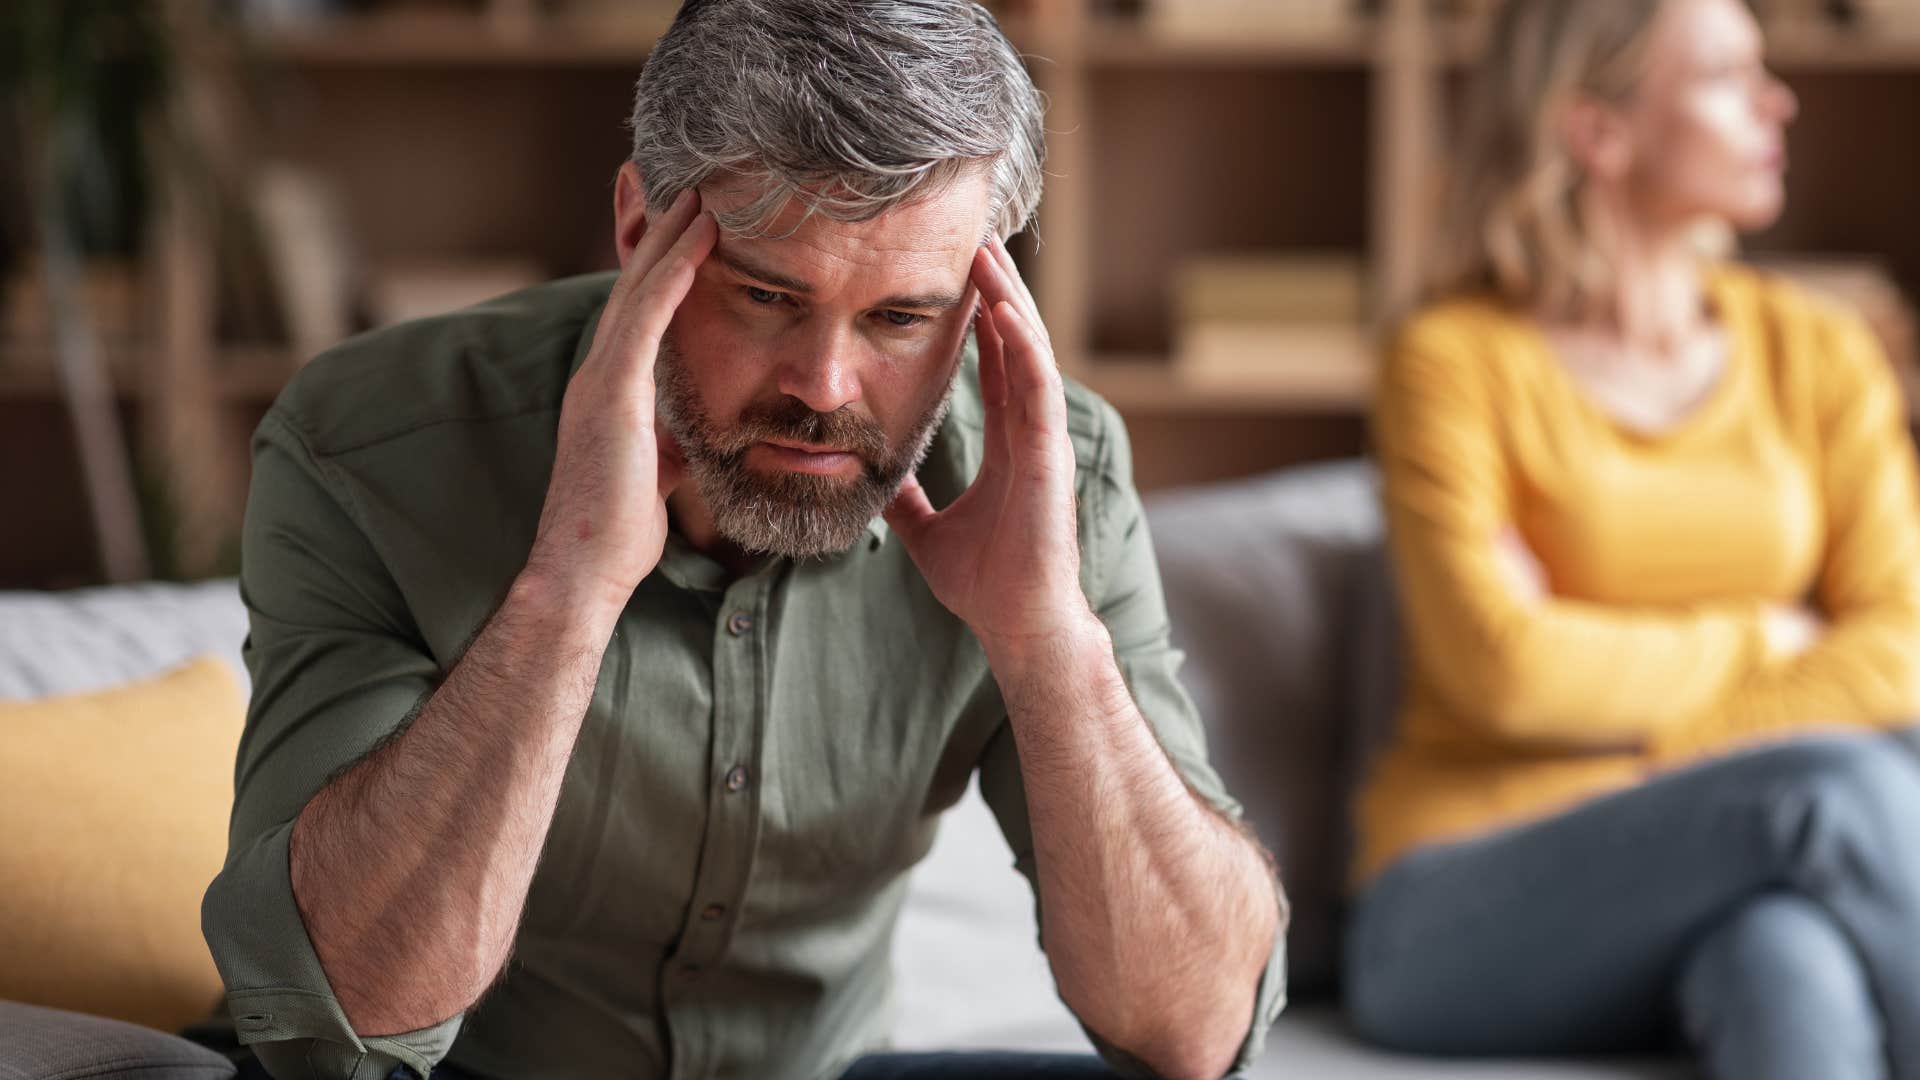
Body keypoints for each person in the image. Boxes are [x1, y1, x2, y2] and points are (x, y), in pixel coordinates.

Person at [195, 3, 1287, 1079]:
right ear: (639, 232)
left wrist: (1049, 639)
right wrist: (568, 590)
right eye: (768, 294)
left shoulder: (1051, 473)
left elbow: (1193, 1034)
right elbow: (337, 1021)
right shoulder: (366, 446)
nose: (824, 388)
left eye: (903, 318)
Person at [1343, 0, 1920, 1076]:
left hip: (1719, 876)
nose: (1777, 101)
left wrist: (1660, 762)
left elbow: (1899, 652)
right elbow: (1503, 673)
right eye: (1725, 76)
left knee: (1784, 959)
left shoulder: (1824, 354)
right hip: (1462, 894)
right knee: (1833, 791)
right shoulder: (1452, 361)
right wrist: (1769, 637)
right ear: (1597, 131)